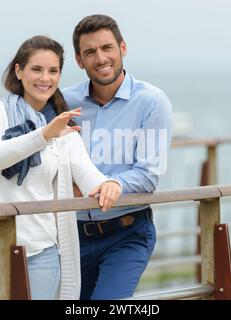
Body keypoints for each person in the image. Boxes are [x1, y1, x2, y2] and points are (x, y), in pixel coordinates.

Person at [0, 35, 122, 300]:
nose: (45, 78)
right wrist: (43, 135)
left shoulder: (63, 129)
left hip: (43, 254)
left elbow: (91, 178)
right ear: (18, 71)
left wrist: (110, 184)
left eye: (53, 71)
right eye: (37, 69)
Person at [63, 15, 173, 299]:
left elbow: (148, 175)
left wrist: (111, 184)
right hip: (71, 236)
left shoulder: (152, 101)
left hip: (127, 233)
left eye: (107, 48)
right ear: (79, 60)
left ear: (122, 48)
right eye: (90, 52)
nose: (100, 58)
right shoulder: (65, 102)